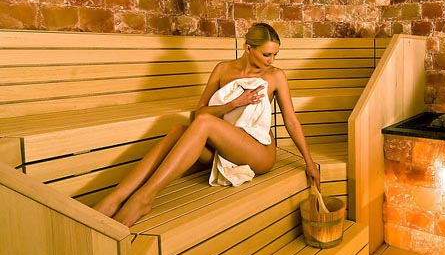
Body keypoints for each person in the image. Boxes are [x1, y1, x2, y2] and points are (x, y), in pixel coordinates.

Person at [94, 22, 320, 226]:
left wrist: (309, 162)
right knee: (179, 130)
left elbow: (291, 121)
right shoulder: (223, 69)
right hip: (224, 147)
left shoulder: (276, 76)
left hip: (258, 151)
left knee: (205, 123)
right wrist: (234, 103)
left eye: (275, 55)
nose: (271, 61)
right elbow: (200, 112)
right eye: (266, 54)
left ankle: (144, 198)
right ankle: (114, 198)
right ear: (248, 48)